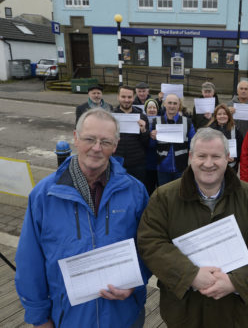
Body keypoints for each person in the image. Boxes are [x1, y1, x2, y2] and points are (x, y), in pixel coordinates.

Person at [15, 108, 150, 328]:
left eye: (105, 142)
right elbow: (30, 262)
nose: (97, 148)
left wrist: (136, 283)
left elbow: (149, 247)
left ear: (115, 146)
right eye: (90, 139)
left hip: (124, 316)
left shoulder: (135, 191)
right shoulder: (44, 195)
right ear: (76, 139)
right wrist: (39, 318)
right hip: (69, 318)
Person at [138, 128, 248, 328]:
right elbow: (150, 242)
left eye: (216, 156)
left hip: (234, 310)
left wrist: (235, 282)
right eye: (201, 156)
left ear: (228, 158)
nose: (208, 163)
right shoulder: (164, 197)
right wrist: (190, 275)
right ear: (190, 157)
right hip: (182, 310)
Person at [150, 94, 195, 186]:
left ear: (179, 105)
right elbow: (151, 146)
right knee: (163, 196)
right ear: (164, 104)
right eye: (169, 103)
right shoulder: (156, 122)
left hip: (181, 167)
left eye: (175, 103)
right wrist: (152, 137)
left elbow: (194, 144)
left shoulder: (187, 122)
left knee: (180, 195)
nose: (172, 106)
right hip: (162, 167)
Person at [113, 86, 149, 184]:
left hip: (137, 164)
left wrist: (144, 130)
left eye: (129, 97)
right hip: (116, 163)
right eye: (123, 97)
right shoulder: (111, 117)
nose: (126, 100)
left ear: (133, 98)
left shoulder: (142, 117)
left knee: (137, 193)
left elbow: (146, 143)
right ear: (118, 97)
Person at [207, 103, 243, 172]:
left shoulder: (235, 130)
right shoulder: (209, 130)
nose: (222, 116)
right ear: (215, 116)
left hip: (231, 168)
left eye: (225, 114)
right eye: (219, 114)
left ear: (229, 116)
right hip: (213, 167)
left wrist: (235, 158)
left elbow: (240, 147)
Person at [144, 98, 160, 195]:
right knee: (148, 187)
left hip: (158, 160)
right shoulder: (141, 122)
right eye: (149, 107)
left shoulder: (162, 121)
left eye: (154, 107)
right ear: (146, 110)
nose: (152, 109)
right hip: (146, 161)